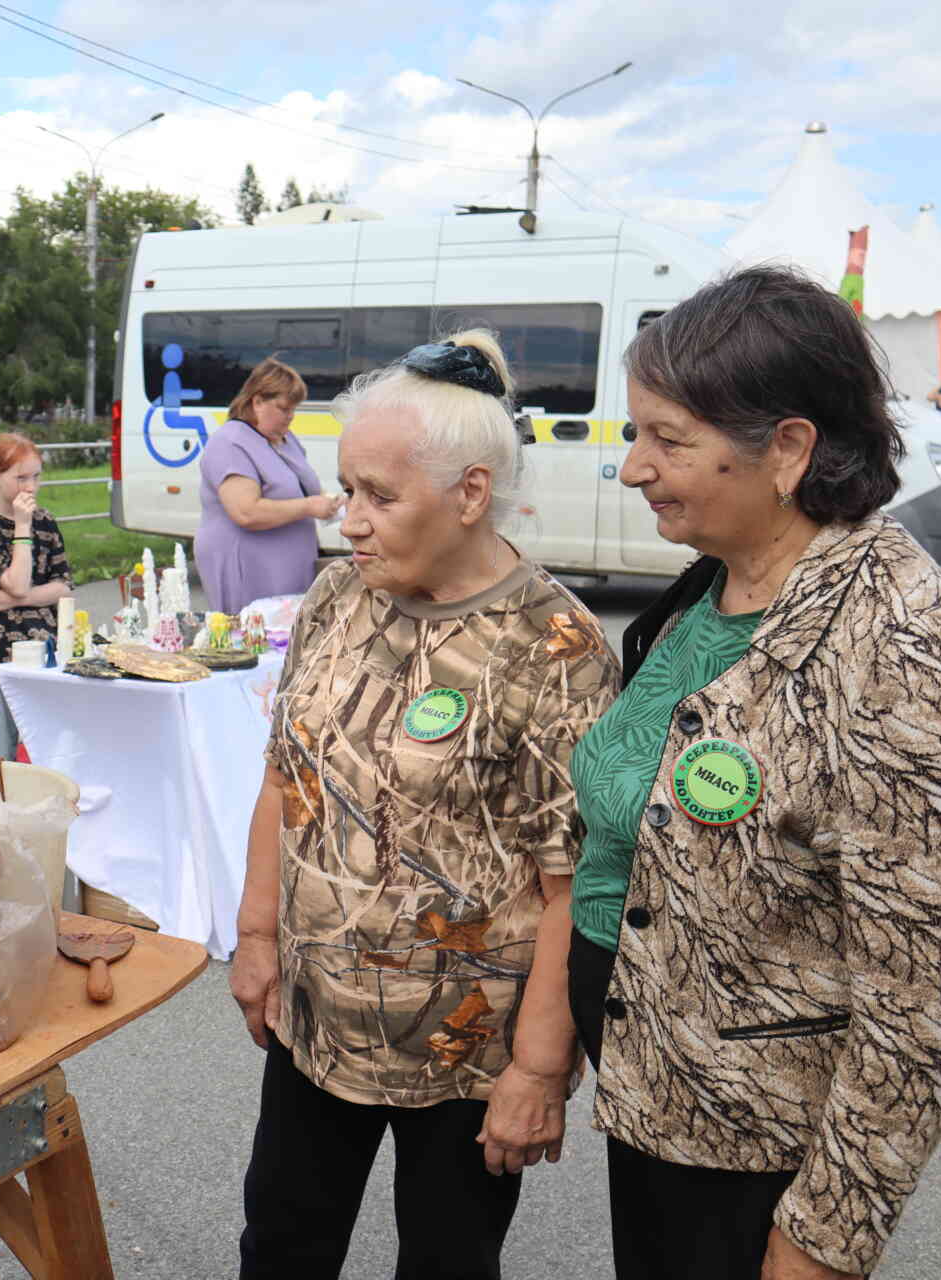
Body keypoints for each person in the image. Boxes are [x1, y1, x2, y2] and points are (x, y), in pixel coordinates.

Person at [567, 266, 941, 1280]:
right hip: (653, 1095)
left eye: (669, 440)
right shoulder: (710, 584)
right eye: (638, 435)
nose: (634, 467)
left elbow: (929, 999)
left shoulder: (902, 651)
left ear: (790, 449)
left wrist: (825, 1237)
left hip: (761, 1153)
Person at [230, 331, 621, 1280]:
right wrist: (257, 938)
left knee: (448, 1261)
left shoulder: (555, 648)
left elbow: (575, 885)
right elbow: (287, 778)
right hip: (314, 1018)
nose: (348, 520)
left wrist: (535, 1070)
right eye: (345, 488)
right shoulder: (335, 598)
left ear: (471, 493)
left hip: (466, 1052)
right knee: (281, 1243)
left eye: (379, 497)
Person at [195, 357, 343, 615]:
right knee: (255, 641)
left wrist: (331, 504)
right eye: (284, 408)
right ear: (257, 401)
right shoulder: (230, 443)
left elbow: (303, 488)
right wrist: (309, 507)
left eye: (294, 409)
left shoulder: (284, 439)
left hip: (289, 565)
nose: (291, 416)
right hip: (249, 566)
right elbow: (246, 512)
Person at [0, 432, 73, 759]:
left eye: (36, 476)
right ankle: (2, 808)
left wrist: (17, 601)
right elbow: (18, 583)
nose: (30, 487)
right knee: (3, 752)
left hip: (46, 648)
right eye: (21, 477)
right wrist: (23, 528)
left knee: (47, 747)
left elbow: (64, 586)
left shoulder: (47, 521)